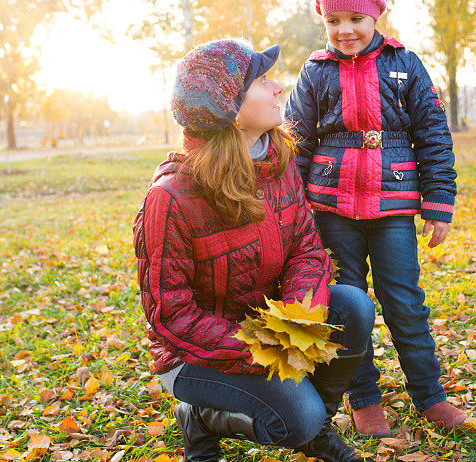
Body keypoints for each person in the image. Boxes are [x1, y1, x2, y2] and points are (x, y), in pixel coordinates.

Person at [133, 39, 375, 462]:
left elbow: (307, 250)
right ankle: (199, 417)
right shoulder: (171, 198)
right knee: (294, 418)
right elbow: (171, 314)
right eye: (262, 80)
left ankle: (316, 435)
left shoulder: (278, 165)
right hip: (193, 357)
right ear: (229, 108)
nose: (279, 87)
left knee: (352, 306)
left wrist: (296, 321)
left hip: (265, 328)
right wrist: (259, 347)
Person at [285, 0, 468, 438]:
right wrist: (292, 208)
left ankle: (429, 395)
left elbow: (432, 136)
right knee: (348, 304)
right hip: (330, 208)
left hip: (393, 208)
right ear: (323, 21)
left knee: (404, 302)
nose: (345, 30)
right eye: (333, 21)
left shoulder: (405, 64)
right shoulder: (315, 72)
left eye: (355, 19)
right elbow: (297, 140)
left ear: (375, 15)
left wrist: (439, 203)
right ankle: (364, 398)